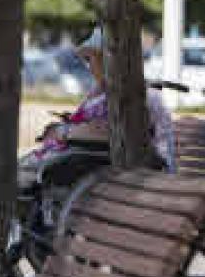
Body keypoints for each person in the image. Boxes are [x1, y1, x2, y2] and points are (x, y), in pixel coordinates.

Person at [18, 26, 175, 184]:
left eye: (89, 59)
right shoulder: (106, 92)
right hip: (103, 161)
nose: (88, 67)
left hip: (132, 172)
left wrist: (63, 132)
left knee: (21, 177)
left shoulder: (132, 97)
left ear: (106, 60)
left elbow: (104, 133)